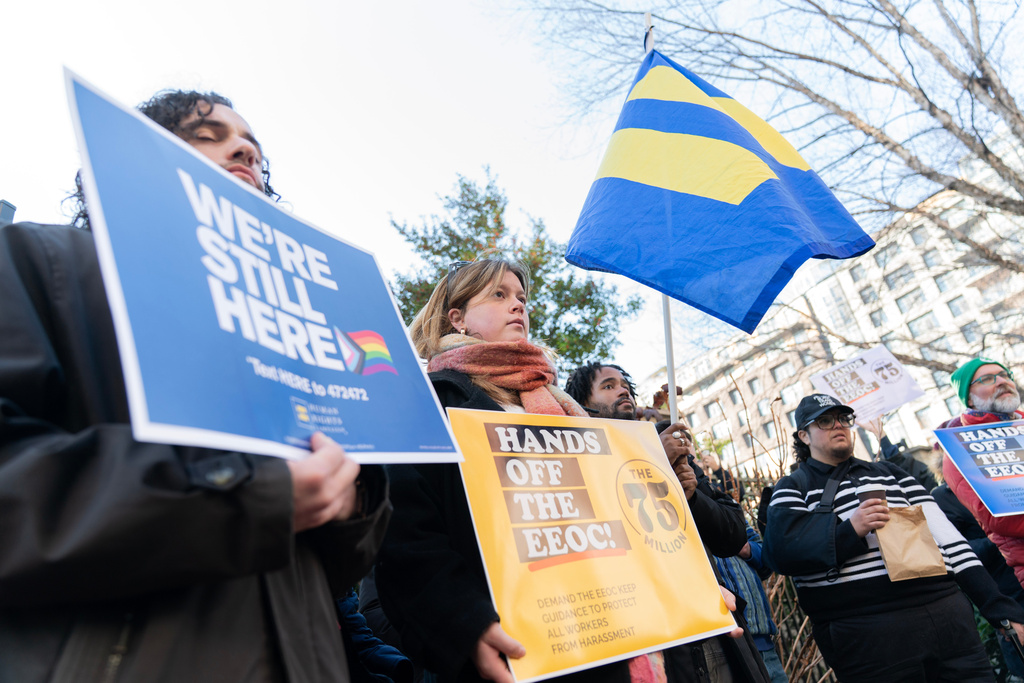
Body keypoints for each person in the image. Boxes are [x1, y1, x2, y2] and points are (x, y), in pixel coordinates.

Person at [0, 90, 390, 682]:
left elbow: (336, 571)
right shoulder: (39, 261)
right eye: (207, 135)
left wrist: (350, 500)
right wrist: (242, 500)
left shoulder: (317, 330)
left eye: (253, 148)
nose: (243, 150)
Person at [375, 261, 757, 683]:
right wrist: (466, 625)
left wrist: (684, 586)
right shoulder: (432, 402)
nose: (518, 306)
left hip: (615, 636)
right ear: (457, 318)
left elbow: (620, 521)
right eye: (498, 295)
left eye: (521, 297)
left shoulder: (562, 406)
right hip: (523, 650)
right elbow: (408, 536)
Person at [763, 393, 1024, 682]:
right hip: (869, 634)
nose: (838, 425)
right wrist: (851, 531)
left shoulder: (892, 473)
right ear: (804, 435)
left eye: (843, 419)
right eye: (824, 421)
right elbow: (780, 554)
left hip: (948, 621)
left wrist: (999, 610)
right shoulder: (792, 487)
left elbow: (952, 544)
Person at [566, 361, 770, 682]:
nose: (623, 390)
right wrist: (651, 462)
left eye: (626, 386)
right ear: (582, 406)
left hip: (713, 631)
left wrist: (690, 495)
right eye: (608, 386)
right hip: (644, 638)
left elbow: (732, 534)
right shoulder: (573, 456)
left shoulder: (672, 447)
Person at [940, 358, 1024, 590]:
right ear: (968, 397)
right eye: (987, 379)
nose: (1001, 382)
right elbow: (998, 517)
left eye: (1005, 375)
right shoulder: (960, 446)